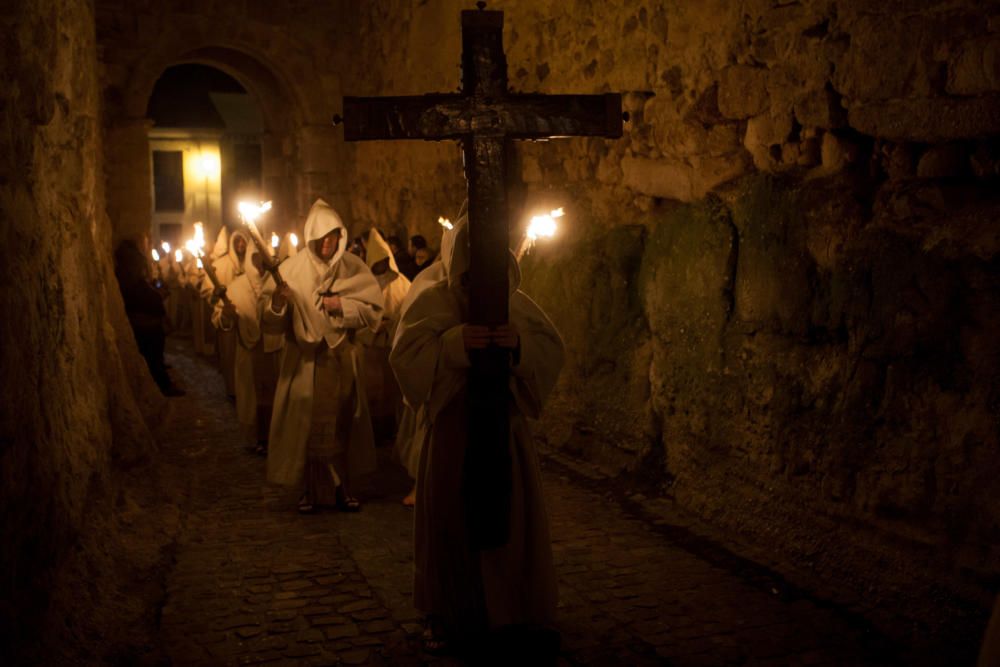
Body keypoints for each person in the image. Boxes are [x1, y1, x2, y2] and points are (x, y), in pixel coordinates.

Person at [390, 216, 564, 655]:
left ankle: (513, 609)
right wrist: (453, 343)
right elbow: (406, 357)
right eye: (468, 276)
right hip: (453, 430)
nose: (478, 285)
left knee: (513, 516)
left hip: (503, 431)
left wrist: (518, 344)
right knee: (449, 516)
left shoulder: (515, 303)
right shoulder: (432, 301)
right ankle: (449, 610)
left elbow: (550, 348)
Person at [263, 199, 383, 513]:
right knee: (307, 427)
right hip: (306, 363)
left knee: (342, 424)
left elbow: (373, 312)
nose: (328, 243)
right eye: (322, 237)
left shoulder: (354, 269)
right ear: (311, 238)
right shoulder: (290, 270)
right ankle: (309, 489)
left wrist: (340, 306)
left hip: (341, 360)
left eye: (333, 236)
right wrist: (279, 302)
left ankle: (343, 487)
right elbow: (272, 322)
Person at [212, 245, 282, 455]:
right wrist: (226, 315)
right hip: (249, 352)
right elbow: (219, 319)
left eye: (264, 256)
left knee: (275, 397)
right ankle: (256, 438)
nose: (260, 261)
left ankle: (275, 439)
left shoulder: (278, 282)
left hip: (274, 351)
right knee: (252, 398)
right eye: (256, 257)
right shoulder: (236, 287)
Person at [114, 239, 184, 397]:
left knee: (155, 358)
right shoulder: (129, 281)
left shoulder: (134, 280)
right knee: (152, 359)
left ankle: (162, 383)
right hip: (145, 328)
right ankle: (162, 386)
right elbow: (139, 298)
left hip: (151, 326)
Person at [362, 228, 412, 441]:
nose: (381, 263)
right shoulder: (363, 284)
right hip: (370, 350)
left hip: (392, 348)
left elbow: (409, 314)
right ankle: (373, 432)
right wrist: (373, 326)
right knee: (371, 391)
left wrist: (392, 326)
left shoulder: (403, 284)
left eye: (384, 259)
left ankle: (392, 430)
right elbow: (356, 315)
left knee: (391, 392)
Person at [205, 229, 249, 400]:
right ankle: (232, 390)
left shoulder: (252, 263)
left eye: (243, 241)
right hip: (227, 319)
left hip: (246, 319)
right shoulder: (221, 265)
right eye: (237, 241)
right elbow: (209, 291)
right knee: (229, 356)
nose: (240, 245)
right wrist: (216, 296)